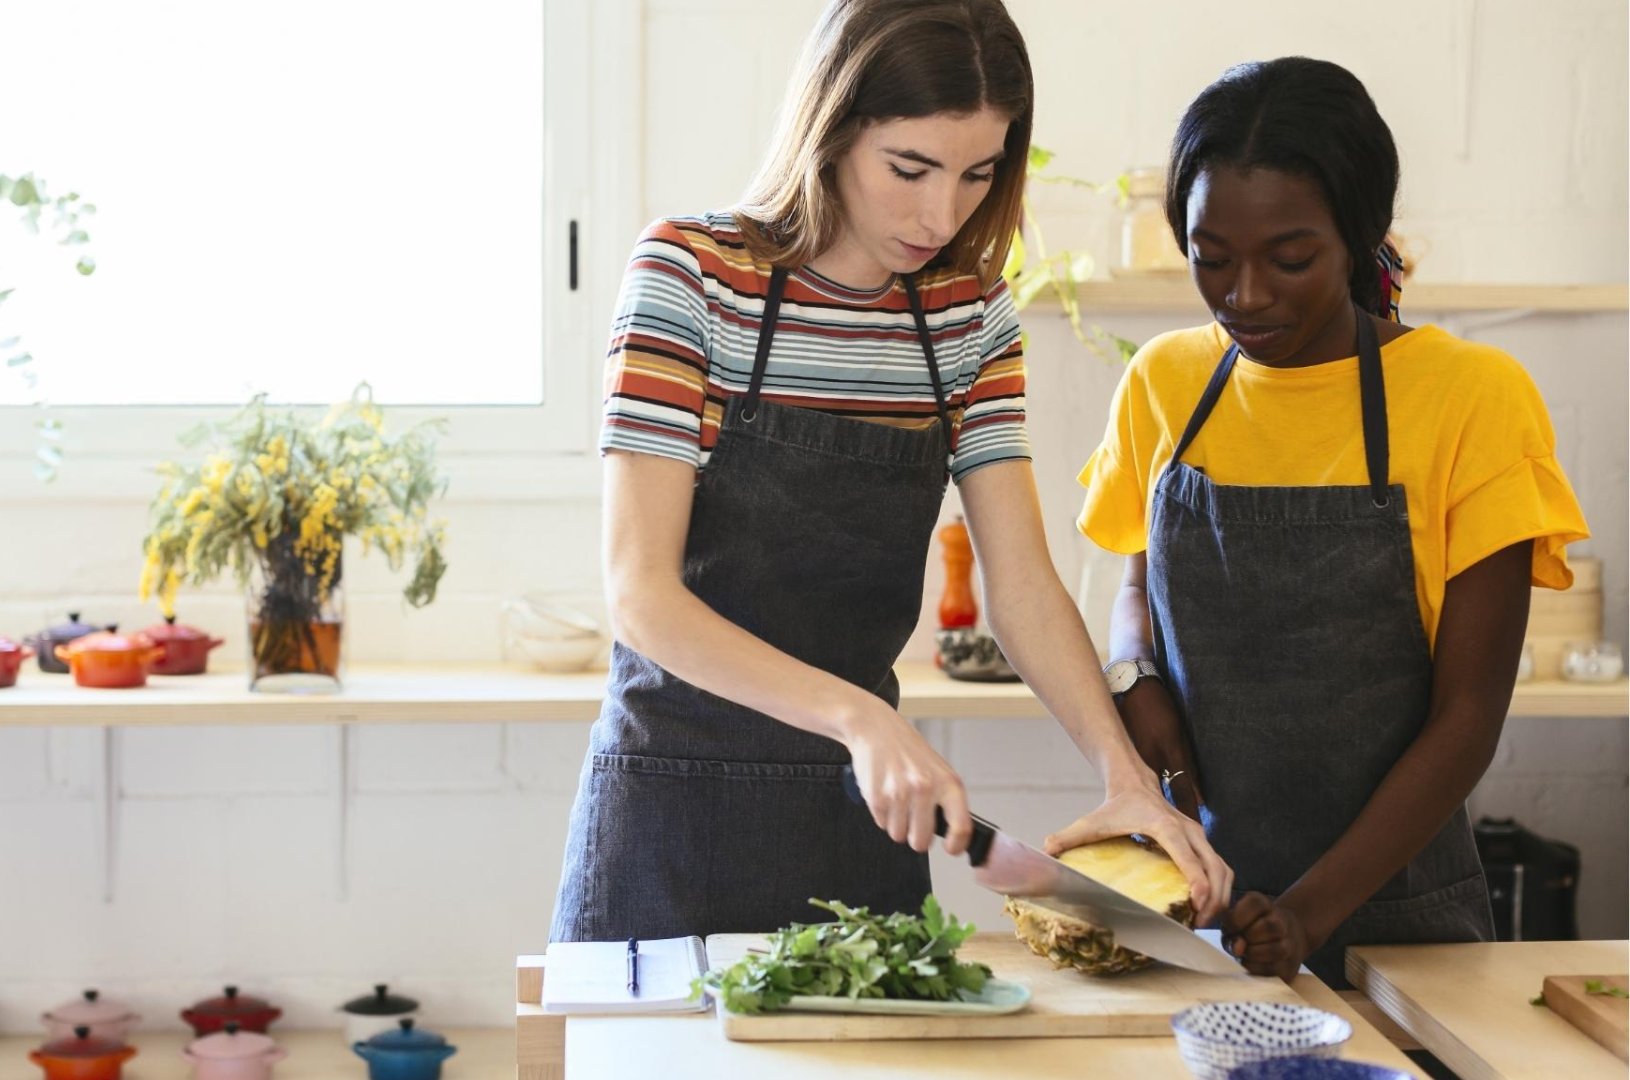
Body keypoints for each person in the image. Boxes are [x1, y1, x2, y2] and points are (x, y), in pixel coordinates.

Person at [549, 0, 1230, 945]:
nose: (941, 213)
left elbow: (1023, 584)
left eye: (977, 174)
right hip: (670, 810)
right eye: (909, 168)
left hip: (866, 822)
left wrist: (1124, 778)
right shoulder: (696, 276)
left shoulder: (966, 313)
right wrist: (861, 719)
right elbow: (641, 598)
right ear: (830, 131)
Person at [1074, 57, 1591, 985]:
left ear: (1358, 239)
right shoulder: (1165, 380)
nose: (1244, 296)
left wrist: (1308, 911)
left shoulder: (1473, 397)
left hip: (1405, 933)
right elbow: (1136, 585)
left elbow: (1470, 716)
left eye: (1289, 257)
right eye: (1212, 256)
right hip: (1201, 906)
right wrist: (1133, 669)